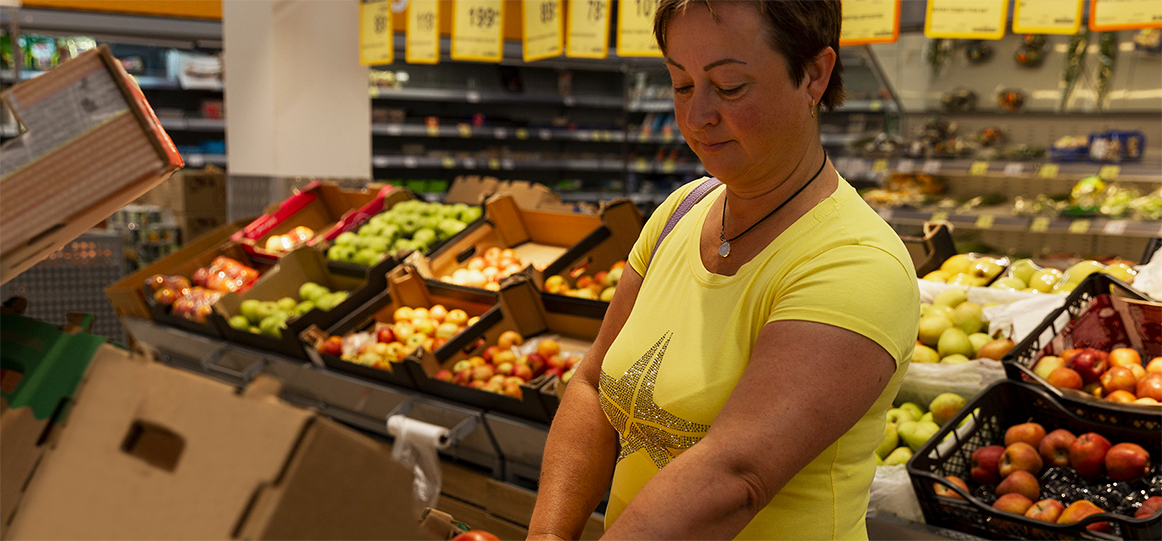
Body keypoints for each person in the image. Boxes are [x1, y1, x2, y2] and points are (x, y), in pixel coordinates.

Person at [528, 1, 919, 539]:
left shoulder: (855, 264)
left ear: (814, 75)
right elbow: (593, 385)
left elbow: (735, 475)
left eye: (730, 87)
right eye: (681, 84)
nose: (695, 117)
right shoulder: (682, 211)